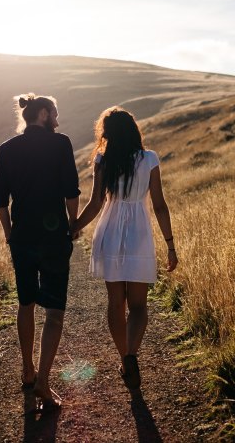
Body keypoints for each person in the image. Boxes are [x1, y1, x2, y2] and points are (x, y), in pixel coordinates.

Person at [72, 106, 177, 389]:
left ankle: (124, 358)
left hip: (110, 231)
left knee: (115, 302)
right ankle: (130, 355)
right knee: (139, 306)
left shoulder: (103, 159)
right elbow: (159, 205)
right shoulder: (150, 158)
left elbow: (96, 203)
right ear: (133, 131)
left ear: (107, 133)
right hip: (139, 234)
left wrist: (74, 227)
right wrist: (170, 245)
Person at [0, 93, 81, 411]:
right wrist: (73, 223)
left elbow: (0, 201)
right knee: (54, 312)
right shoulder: (60, 143)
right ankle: (43, 380)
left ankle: (28, 370)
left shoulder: (6, 149)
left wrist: (9, 235)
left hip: (22, 239)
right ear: (43, 114)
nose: (57, 119)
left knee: (26, 303)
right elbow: (71, 191)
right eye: (54, 113)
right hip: (54, 238)